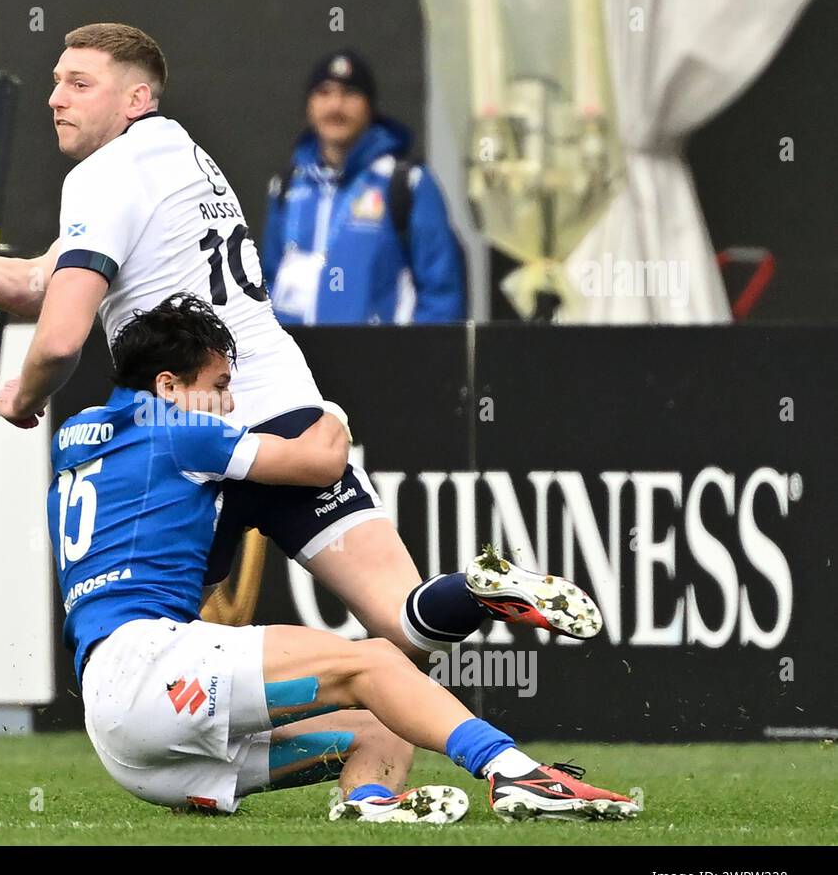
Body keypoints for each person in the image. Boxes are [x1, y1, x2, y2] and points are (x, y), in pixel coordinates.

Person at [0, 22, 601, 687]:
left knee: (145, 652)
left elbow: (63, 333)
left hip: (197, 430)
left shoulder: (104, 176)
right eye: (55, 80)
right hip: (290, 409)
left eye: (79, 83)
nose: (54, 98)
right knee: (408, 624)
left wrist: (22, 397)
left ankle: (237, 766)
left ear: (135, 98)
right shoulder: (182, 157)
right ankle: (474, 594)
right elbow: (45, 280)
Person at [53, 294, 636, 820]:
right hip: (153, 671)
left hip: (129, 746)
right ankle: (516, 774)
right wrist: (325, 407)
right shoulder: (178, 430)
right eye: (220, 384)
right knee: (381, 659)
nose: (230, 403)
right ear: (169, 387)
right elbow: (322, 462)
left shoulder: (75, 436)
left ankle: (370, 803)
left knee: (385, 717)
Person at [261, 50, 466, 325]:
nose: (336, 105)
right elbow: (269, 281)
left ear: (370, 107)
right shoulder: (287, 187)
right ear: (309, 105)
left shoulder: (406, 182)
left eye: (350, 94)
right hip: (299, 361)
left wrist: (420, 361)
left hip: (381, 363)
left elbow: (442, 293)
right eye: (324, 93)